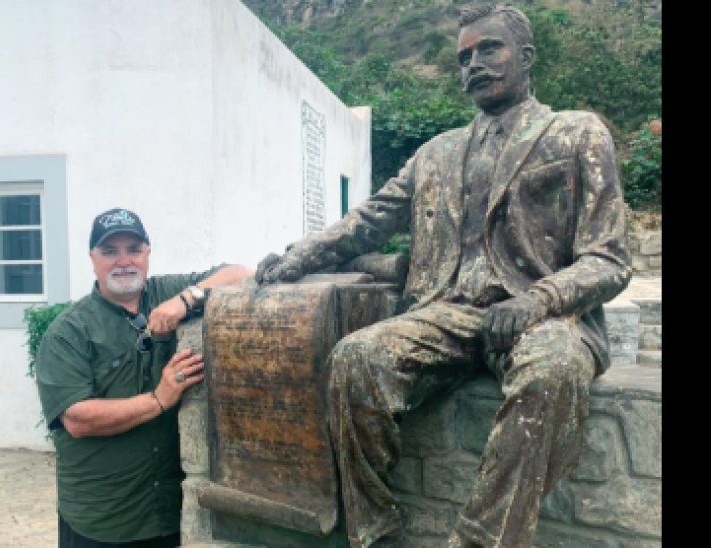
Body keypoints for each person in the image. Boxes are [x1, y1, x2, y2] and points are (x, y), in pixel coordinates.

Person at [255, 4, 631, 547]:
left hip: (542, 316)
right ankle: (375, 535)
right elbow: (368, 221)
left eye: (488, 49)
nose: (473, 64)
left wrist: (537, 302)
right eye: (464, 57)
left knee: (553, 369)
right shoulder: (435, 152)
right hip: (446, 313)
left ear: (525, 58)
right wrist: (297, 257)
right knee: (354, 359)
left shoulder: (574, 134)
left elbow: (610, 259)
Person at [35, 207, 253, 548]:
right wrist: (159, 399)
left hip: (169, 513)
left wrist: (187, 299)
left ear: (147, 254)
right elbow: (77, 418)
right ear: (92, 258)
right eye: (110, 251)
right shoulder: (68, 332)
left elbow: (241, 274)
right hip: (104, 519)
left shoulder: (166, 292)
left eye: (134, 249)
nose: (124, 261)